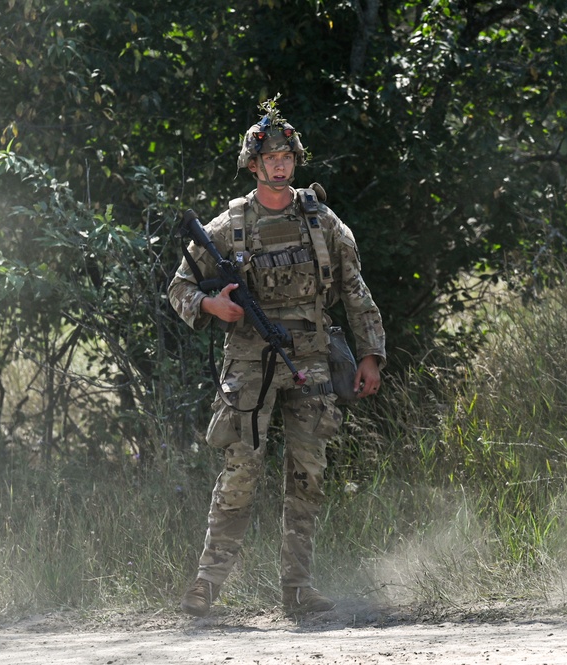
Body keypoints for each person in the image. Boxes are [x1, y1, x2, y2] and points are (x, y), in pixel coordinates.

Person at [168, 97, 386, 617]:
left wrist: (370, 355)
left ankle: (298, 588)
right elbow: (178, 289)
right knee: (241, 473)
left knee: (308, 474)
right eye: (272, 158)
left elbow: (355, 291)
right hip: (248, 364)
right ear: (254, 164)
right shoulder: (228, 226)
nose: (282, 164)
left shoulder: (323, 222)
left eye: (288, 156)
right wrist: (211, 304)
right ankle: (206, 586)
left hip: (310, 359)